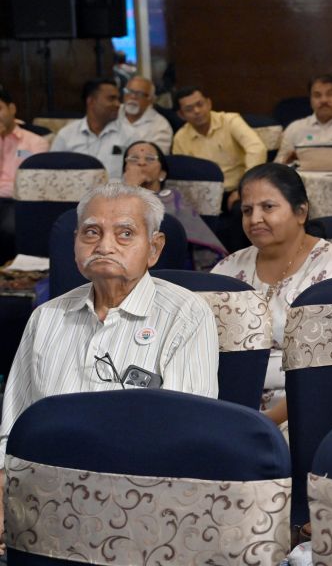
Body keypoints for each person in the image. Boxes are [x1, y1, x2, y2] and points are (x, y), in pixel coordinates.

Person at [0, 182, 220, 551]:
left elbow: (187, 434)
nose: (104, 245)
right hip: (45, 497)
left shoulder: (185, 315)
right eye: (91, 232)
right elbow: (12, 429)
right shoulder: (46, 317)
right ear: (75, 244)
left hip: (142, 501)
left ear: (154, 248)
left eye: (125, 233)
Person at [212, 163, 332, 424]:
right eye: (247, 210)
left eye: (268, 207)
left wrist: (266, 422)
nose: (255, 219)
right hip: (229, 405)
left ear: (301, 212)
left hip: (304, 410)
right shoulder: (228, 268)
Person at [122, 141, 226, 259]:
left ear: (162, 173)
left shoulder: (172, 200)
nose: (141, 163)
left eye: (150, 158)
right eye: (133, 159)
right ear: (125, 170)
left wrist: (132, 190)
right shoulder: (112, 200)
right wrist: (129, 189)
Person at [172, 86, 267, 210]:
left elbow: (257, 148)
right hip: (203, 196)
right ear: (181, 115)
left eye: (200, 104)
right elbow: (182, 174)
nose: (197, 111)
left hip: (237, 189)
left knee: (242, 209)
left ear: (209, 103)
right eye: (189, 109)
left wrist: (245, 187)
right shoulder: (180, 138)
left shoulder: (230, 120)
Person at [0, 87, 49, 264]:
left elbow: (35, 182)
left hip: (17, 201)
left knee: (9, 228)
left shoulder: (35, 142)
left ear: (12, 108)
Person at [50, 77, 128, 178]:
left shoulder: (129, 134)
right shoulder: (67, 134)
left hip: (115, 188)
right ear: (91, 101)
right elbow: (52, 172)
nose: (118, 104)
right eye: (111, 99)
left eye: (118, 99)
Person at [118, 75, 174, 152]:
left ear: (151, 100)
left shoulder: (160, 126)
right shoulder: (112, 113)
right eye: (129, 92)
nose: (133, 97)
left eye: (139, 94)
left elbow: (155, 157)